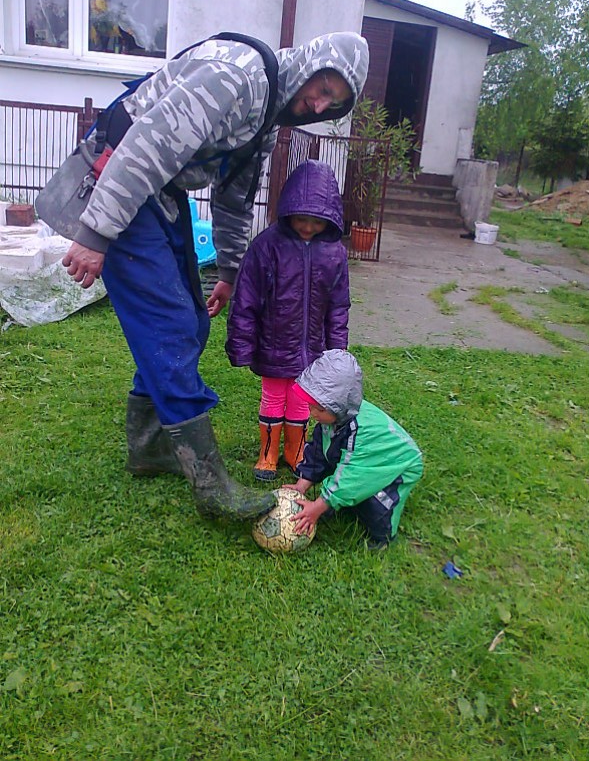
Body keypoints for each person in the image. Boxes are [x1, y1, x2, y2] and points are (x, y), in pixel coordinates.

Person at [58, 32, 369, 521]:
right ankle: (211, 485)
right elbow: (145, 145)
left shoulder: (268, 114)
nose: (318, 104)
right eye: (322, 87)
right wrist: (96, 234)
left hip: (160, 193)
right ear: (307, 65)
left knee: (195, 323)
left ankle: (149, 446)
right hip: (119, 177)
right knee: (172, 328)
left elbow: (234, 194)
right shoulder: (237, 78)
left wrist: (228, 268)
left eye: (333, 103)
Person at [226, 159, 350, 482]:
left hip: (313, 352)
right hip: (272, 345)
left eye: (316, 221)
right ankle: (267, 452)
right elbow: (246, 298)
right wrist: (241, 344)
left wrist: (336, 352)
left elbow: (338, 307)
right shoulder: (267, 246)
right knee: (273, 397)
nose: (308, 227)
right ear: (289, 210)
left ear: (330, 218)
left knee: (301, 401)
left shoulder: (335, 254)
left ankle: (295, 451)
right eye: (301, 219)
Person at [285, 349, 423, 550]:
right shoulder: (332, 419)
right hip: (364, 462)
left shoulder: (361, 433)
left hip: (398, 465)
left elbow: (351, 476)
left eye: (319, 409)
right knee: (341, 477)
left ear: (340, 406)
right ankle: (335, 502)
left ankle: (383, 539)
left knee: (375, 505)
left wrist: (319, 506)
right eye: (310, 406)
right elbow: (316, 453)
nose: (312, 413)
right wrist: (301, 486)